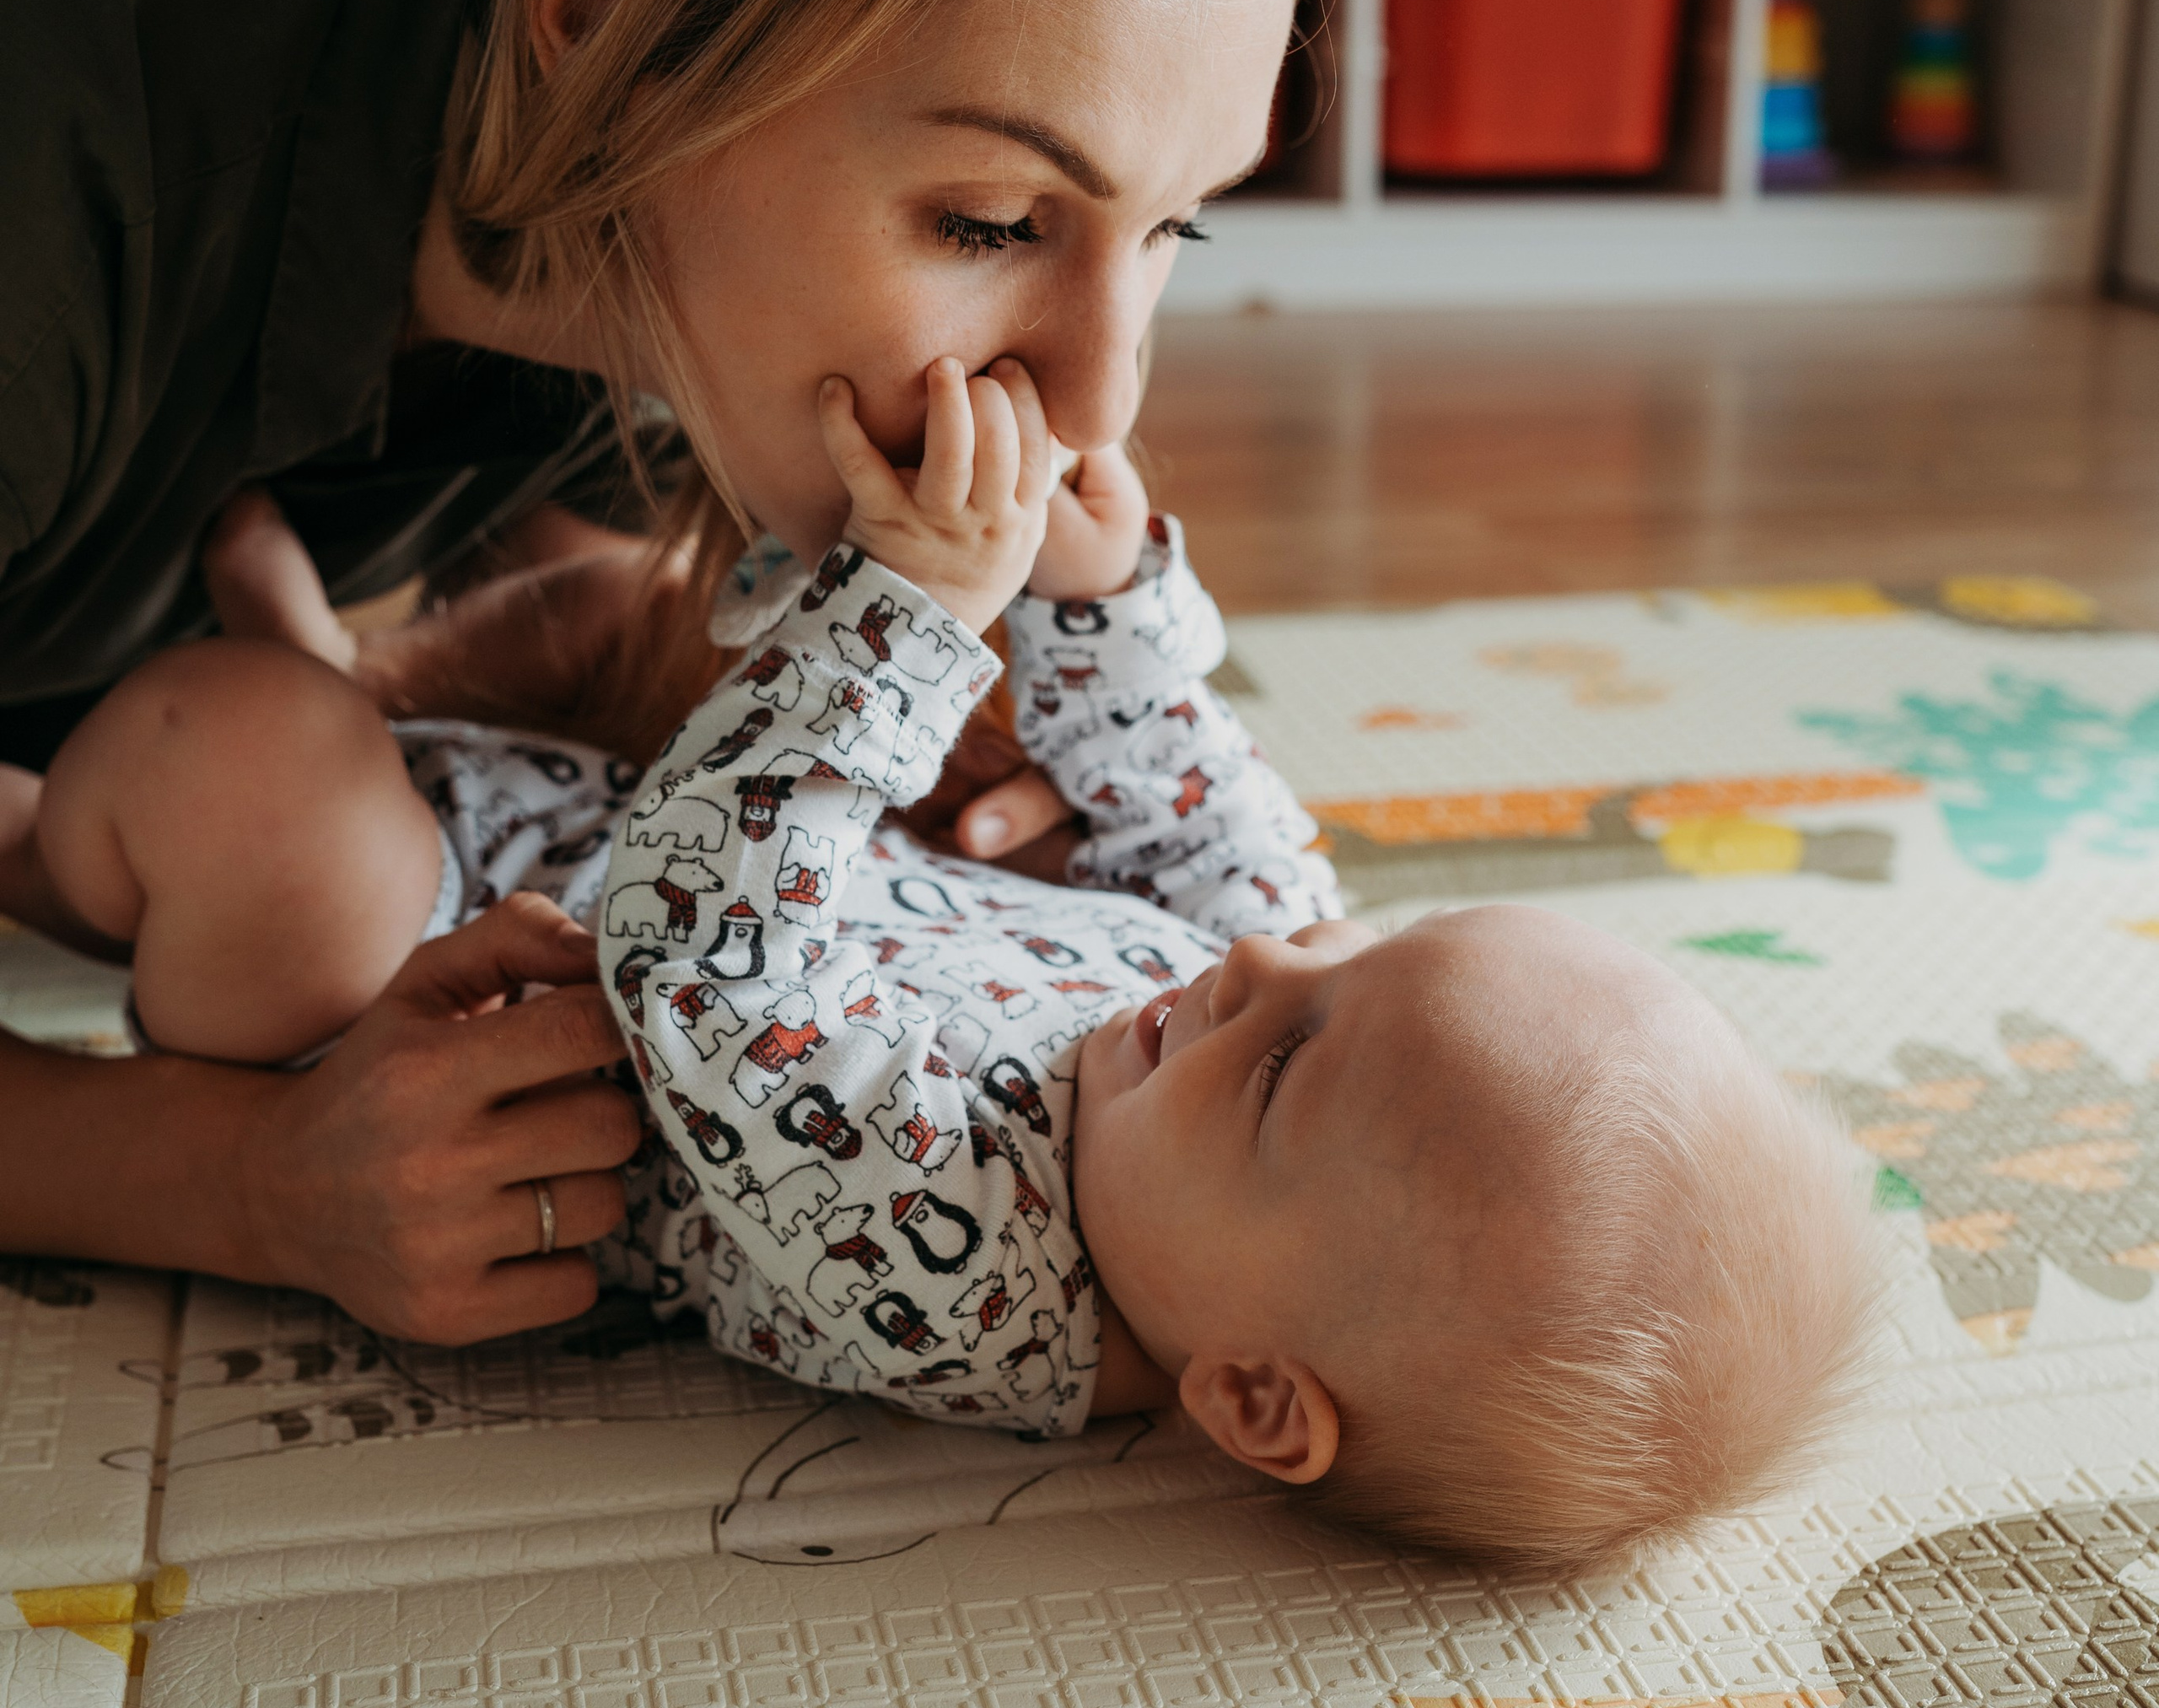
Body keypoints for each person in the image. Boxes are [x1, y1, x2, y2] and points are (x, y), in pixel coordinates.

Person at [0, 0, 1332, 1342]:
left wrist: (831, 714)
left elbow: (560, 606)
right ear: (602, 32)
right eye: (985, 219)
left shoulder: (682, 52)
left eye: (1176, 229)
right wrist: (243, 1181)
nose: (1096, 410)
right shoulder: (65, 192)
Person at [24, 358, 1876, 1572]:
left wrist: (916, 625)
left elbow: (703, 948)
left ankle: (56, 851)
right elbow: (1187, 786)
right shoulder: (1243, 1034)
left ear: (1248, 1396)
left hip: (385, 993)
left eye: (1292, 1064)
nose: (1261, 970)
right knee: (597, 619)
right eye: (1361, 951)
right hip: (569, 812)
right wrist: (1095, 591)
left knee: (239, 766)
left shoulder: (968, 1274)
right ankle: (343, 682)